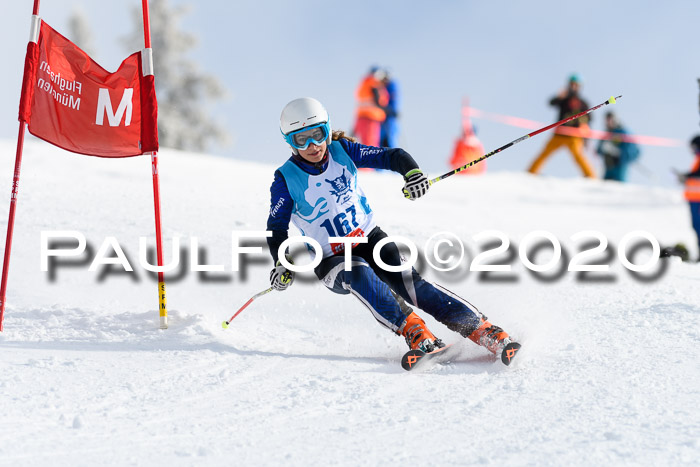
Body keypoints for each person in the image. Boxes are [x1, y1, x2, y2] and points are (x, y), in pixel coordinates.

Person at [266, 97, 521, 364]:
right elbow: (276, 228)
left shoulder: (343, 151)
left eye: (317, 135)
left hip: (368, 238)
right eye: (301, 140)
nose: (312, 146)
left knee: (411, 284)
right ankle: (416, 333)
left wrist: (412, 174)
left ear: (327, 130)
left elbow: (393, 156)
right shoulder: (285, 179)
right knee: (357, 272)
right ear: (289, 142)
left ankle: (483, 330)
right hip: (331, 258)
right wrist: (283, 263)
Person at [528, 74, 596, 178]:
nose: (573, 87)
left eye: (576, 85)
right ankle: (531, 173)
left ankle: (591, 177)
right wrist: (560, 96)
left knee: (579, 156)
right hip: (559, 133)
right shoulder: (564, 98)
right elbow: (551, 103)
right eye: (572, 84)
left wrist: (584, 129)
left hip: (574, 136)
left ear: (579, 86)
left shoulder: (583, 103)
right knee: (545, 153)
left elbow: (589, 118)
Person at [595, 112, 640, 182]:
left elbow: (632, 150)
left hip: (620, 166)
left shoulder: (623, 132)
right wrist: (603, 148)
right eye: (607, 120)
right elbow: (598, 150)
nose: (609, 122)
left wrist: (616, 151)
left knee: (619, 188)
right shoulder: (606, 134)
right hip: (608, 166)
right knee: (604, 188)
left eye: (610, 119)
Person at [677, 136, 700, 261]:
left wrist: (686, 176)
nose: (692, 151)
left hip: (698, 200)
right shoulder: (697, 159)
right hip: (694, 199)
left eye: (694, 147)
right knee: (696, 227)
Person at [353, 67, 389, 147]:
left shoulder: (364, 84)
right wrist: (386, 109)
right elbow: (378, 101)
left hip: (362, 118)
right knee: (371, 144)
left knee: (366, 143)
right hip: (370, 118)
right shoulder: (373, 83)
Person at [380, 70, 400, 148]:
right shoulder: (384, 87)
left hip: (389, 117)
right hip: (383, 117)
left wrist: (390, 110)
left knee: (390, 138)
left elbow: (394, 101)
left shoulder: (392, 86)